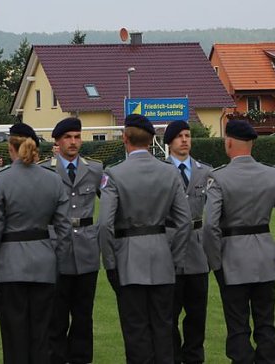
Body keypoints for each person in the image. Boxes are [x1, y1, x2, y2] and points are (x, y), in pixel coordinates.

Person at [203, 119, 275, 364]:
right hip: (266, 258)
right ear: (252, 145)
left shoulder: (219, 178)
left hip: (232, 259)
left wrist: (216, 261)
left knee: (237, 326)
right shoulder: (270, 174)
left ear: (228, 143)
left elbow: (210, 225)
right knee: (266, 322)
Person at [99, 114, 192, 364]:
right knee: (163, 327)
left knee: (135, 329)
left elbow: (105, 225)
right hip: (162, 256)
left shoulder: (115, 174)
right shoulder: (169, 173)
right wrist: (174, 257)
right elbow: (184, 222)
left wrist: (110, 263)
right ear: (152, 141)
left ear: (125, 139)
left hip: (129, 259)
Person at [0, 122, 73, 364]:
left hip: (10, 266)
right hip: (44, 263)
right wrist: (58, 260)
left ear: (11, 149)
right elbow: (64, 230)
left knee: (14, 335)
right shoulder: (53, 181)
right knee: (42, 333)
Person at [42, 117, 104, 364]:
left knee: (83, 314)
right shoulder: (46, 169)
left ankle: (81, 358)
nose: (73, 142)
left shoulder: (95, 169)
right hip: (56, 247)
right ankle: (56, 357)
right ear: (57, 141)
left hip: (87, 247)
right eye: (68, 137)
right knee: (56, 313)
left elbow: (110, 202)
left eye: (77, 137)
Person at [163, 119, 212, 364]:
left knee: (197, 312)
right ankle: (172, 355)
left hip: (197, 249)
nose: (185, 140)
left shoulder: (206, 171)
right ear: (169, 142)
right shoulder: (161, 172)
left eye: (187, 135)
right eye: (179, 136)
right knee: (168, 313)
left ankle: (194, 357)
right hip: (169, 246)